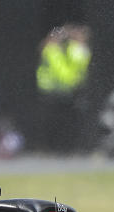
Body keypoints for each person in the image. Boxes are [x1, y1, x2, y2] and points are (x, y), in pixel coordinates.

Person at [35, 23, 92, 153]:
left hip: (67, 91)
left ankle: (64, 148)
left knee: (65, 121)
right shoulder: (52, 50)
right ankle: (51, 148)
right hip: (52, 92)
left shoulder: (74, 50)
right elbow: (63, 74)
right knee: (53, 122)